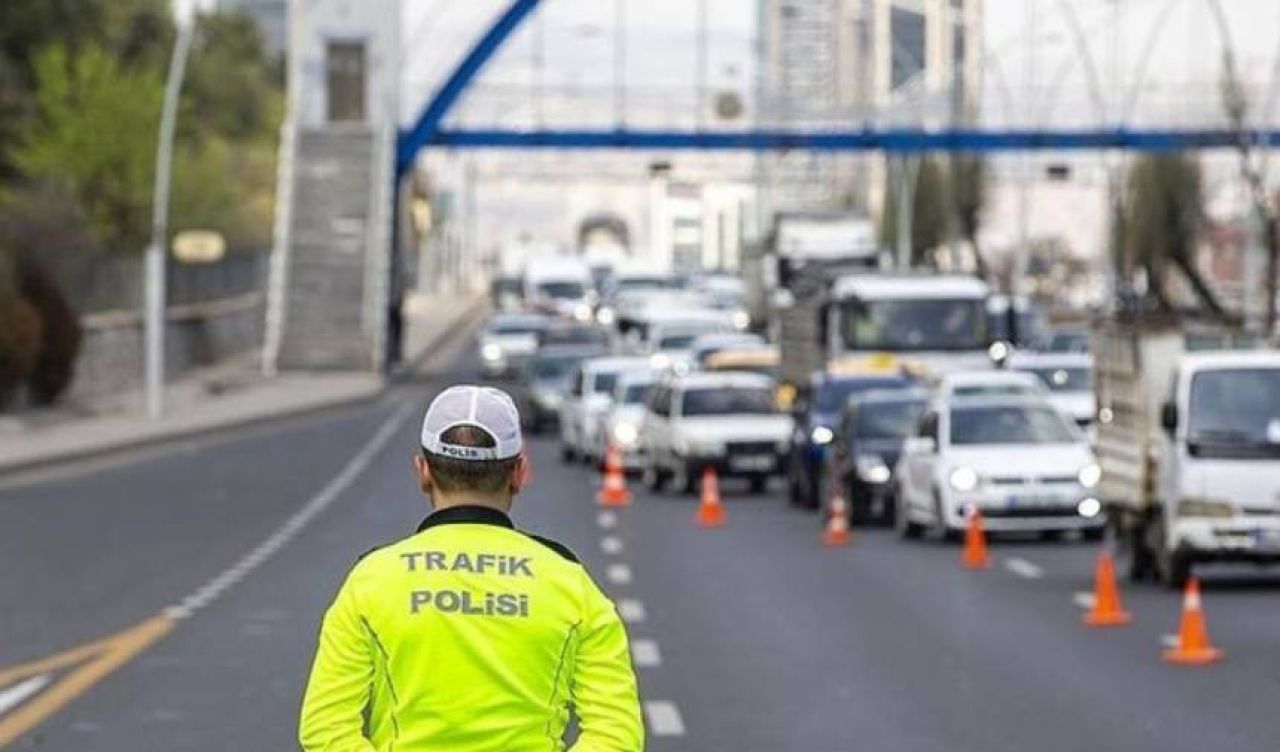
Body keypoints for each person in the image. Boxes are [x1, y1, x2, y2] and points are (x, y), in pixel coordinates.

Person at [299, 385, 644, 751]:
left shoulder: (372, 580)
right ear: (519, 473)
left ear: (424, 472)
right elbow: (616, 733)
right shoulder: (570, 583)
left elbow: (325, 728)